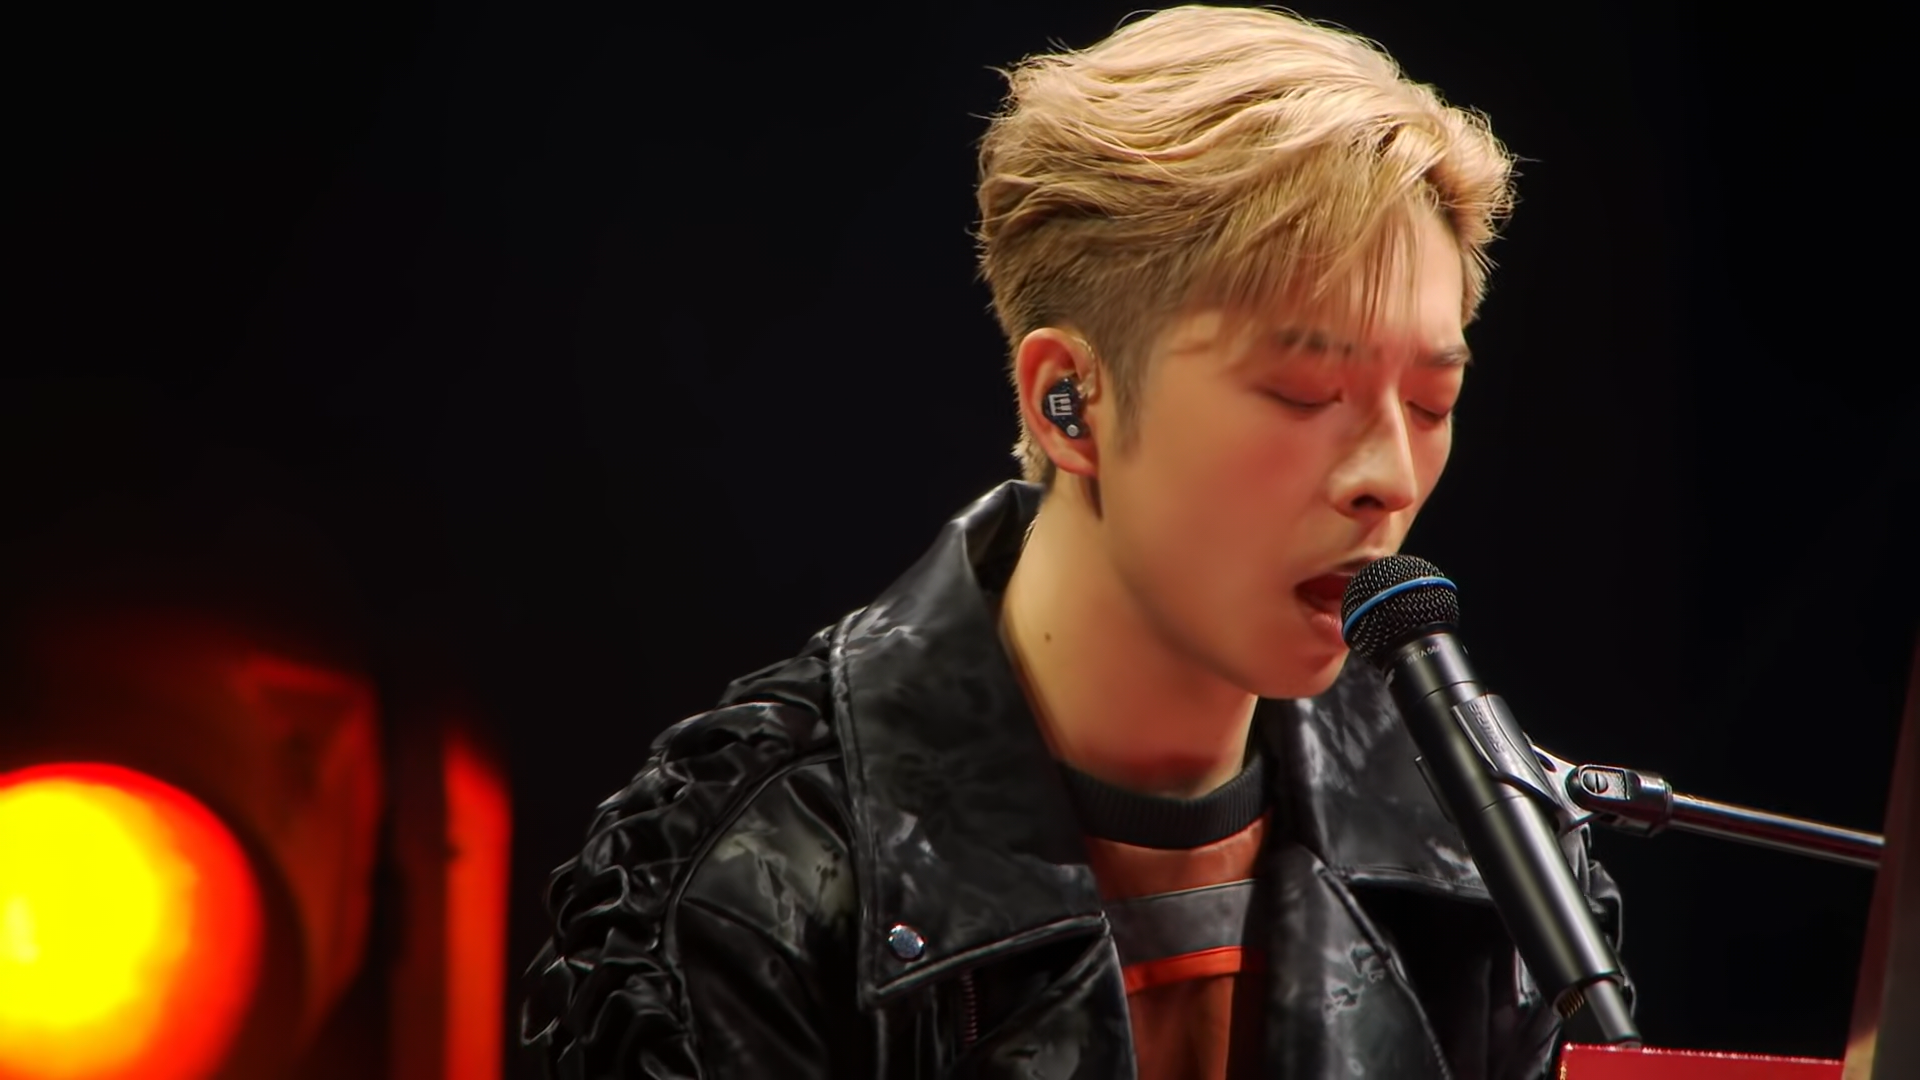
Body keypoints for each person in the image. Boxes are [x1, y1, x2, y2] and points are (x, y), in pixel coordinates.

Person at [520, 6, 1628, 1078]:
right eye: (1303, 392)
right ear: (1069, 403)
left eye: (1432, 404)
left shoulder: (1485, 857)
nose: (1388, 475)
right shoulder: (753, 879)